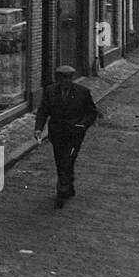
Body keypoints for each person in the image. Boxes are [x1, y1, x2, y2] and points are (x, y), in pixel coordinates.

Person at [34, 65, 98, 207]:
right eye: (62, 78)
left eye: (68, 78)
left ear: (72, 78)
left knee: (68, 160)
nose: (65, 81)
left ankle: (61, 191)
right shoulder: (50, 91)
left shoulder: (83, 92)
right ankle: (68, 186)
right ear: (58, 79)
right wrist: (38, 128)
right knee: (60, 161)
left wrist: (83, 125)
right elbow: (43, 110)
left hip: (74, 135)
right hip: (57, 133)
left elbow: (92, 112)